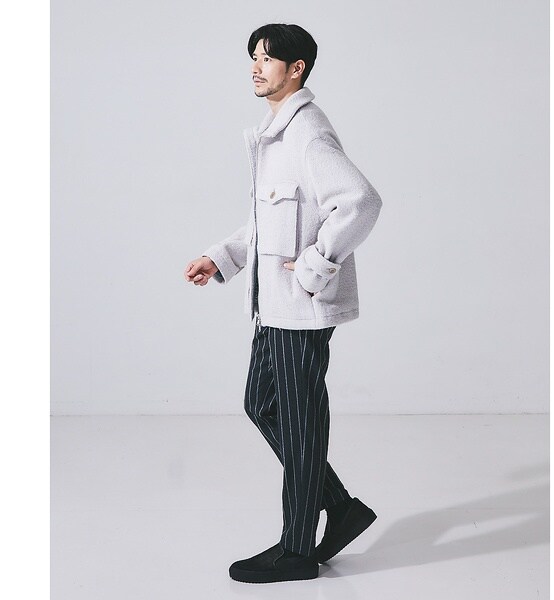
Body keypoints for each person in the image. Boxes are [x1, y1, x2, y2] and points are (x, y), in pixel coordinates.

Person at [184, 23, 382, 584]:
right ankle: (340, 507)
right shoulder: (276, 135)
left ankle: (297, 550)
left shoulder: (308, 133)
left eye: (268, 58)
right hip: (273, 305)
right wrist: (222, 257)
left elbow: (361, 201)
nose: (256, 66)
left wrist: (319, 263)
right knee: (262, 404)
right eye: (253, 56)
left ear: (297, 69)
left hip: (301, 307)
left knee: (299, 423)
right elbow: (269, 221)